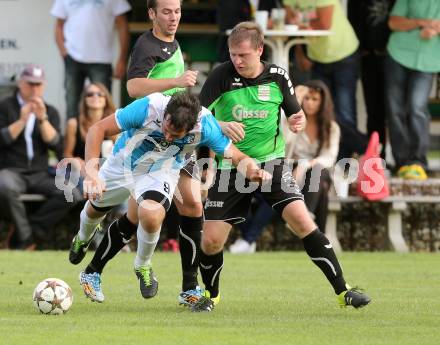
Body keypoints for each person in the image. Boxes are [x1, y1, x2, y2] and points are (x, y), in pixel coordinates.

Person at [191, 22, 370, 312]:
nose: (237, 60)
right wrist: (220, 124)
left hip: (272, 163)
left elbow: (295, 113)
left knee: (303, 222)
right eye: (233, 54)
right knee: (211, 242)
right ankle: (210, 296)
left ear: (260, 50)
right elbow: (195, 117)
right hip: (230, 168)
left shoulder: (277, 75)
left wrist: (297, 118)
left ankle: (343, 291)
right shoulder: (221, 75)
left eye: (244, 55)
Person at [69, 91, 270, 304]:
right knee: (94, 209)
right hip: (123, 164)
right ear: (165, 115)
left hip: (160, 170)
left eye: (176, 136)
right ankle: (82, 238)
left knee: (152, 214)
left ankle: (142, 265)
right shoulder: (148, 107)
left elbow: (237, 156)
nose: (167, 138)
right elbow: (97, 129)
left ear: (191, 128)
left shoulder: (205, 126)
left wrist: (254, 172)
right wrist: (91, 174)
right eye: (166, 129)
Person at [71, 0, 207, 308]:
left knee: (184, 205)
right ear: (151, 14)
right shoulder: (148, 44)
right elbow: (133, 86)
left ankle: (182, 284)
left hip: (173, 143)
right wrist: (175, 82)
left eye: (177, 11)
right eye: (166, 12)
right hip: (140, 143)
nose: (173, 18)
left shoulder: (170, 41)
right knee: (97, 209)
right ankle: (83, 241)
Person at [284, 0, 366, 160]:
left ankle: (357, 151)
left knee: (344, 111)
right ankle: (349, 152)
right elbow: (289, 21)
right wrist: (302, 50)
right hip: (318, 56)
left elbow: (324, 23)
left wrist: (298, 22)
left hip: (343, 53)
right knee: (320, 110)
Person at [0, 64, 70, 249]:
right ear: (21, 84)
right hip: (12, 170)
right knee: (5, 186)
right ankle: (27, 240)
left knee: (70, 191)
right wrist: (22, 120)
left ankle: (31, 229)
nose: (34, 89)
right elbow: (2, 140)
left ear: (44, 86)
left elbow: (57, 146)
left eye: (38, 84)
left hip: (40, 172)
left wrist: (41, 119)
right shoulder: (5, 106)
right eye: (30, 84)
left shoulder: (49, 111)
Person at [384, 0, 440, 179]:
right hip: (398, 54)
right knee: (395, 110)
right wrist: (421, 22)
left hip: (430, 60)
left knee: (417, 108)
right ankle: (401, 162)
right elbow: (393, 22)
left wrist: (435, 29)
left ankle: (418, 162)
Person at [50, 0, 131, 119]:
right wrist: (64, 52)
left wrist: (122, 60)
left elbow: (123, 26)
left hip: (102, 59)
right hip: (72, 58)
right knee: (72, 106)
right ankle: (75, 138)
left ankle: (103, 137)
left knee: (103, 107)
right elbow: (59, 25)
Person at [284, 79, 340, 232]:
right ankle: (319, 235)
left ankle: (304, 218)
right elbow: (284, 141)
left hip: (316, 168)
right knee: (322, 187)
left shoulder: (332, 128)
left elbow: (329, 157)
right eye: (306, 98)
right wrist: (294, 106)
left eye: (315, 99)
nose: (309, 103)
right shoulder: (293, 121)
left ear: (323, 102)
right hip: (292, 169)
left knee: (318, 172)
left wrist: (306, 164)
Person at [347, 0, 396, 159]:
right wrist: (361, 51)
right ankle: (376, 157)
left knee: (396, 110)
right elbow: (352, 22)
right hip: (368, 58)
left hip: (395, 58)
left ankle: (403, 158)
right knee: (374, 111)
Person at [63, 83, 116, 191]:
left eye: (100, 94)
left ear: (106, 99)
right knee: (91, 188)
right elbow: (67, 153)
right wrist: (76, 161)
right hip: (81, 171)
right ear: (84, 99)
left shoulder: (114, 123)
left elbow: (120, 152)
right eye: (90, 94)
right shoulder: (73, 123)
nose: (95, 97)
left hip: (106, 171)